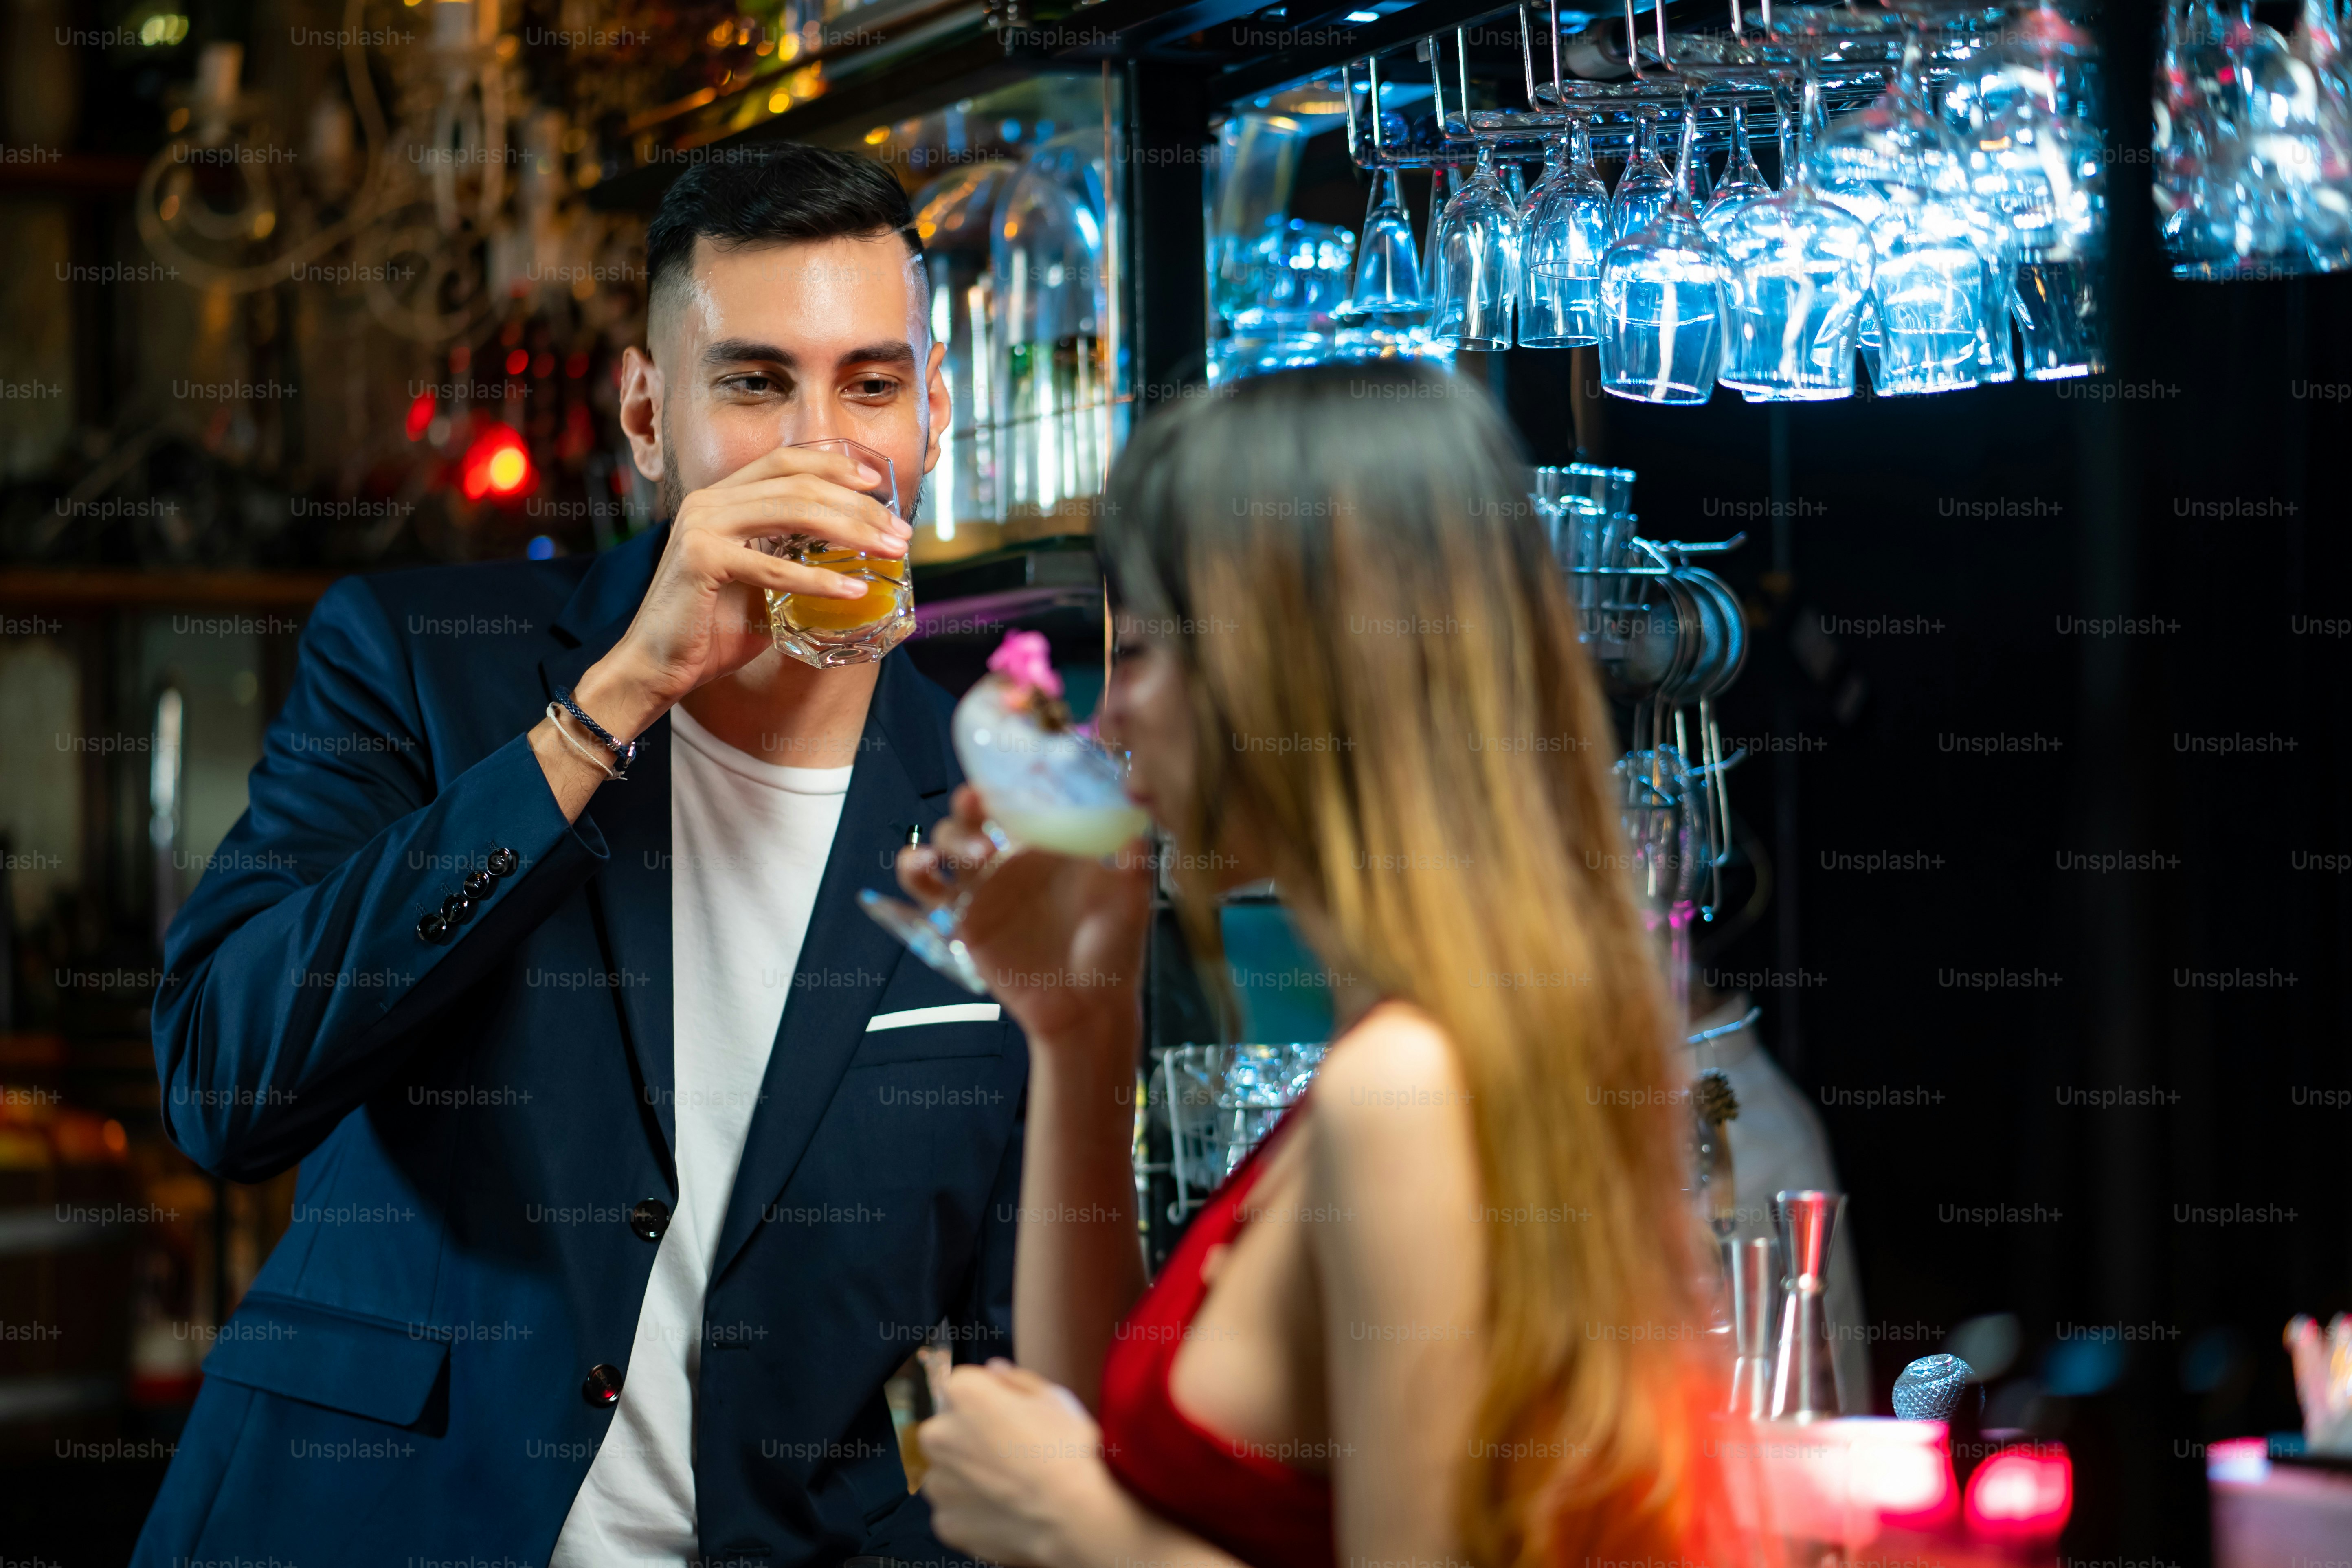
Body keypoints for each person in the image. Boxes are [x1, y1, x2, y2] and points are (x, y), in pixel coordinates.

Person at [135, 145, 1028, 1568]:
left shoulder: (1004, 805)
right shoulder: (424, 662)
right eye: (753, 383)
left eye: (871, 383)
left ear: (932, 411)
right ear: (646, 413)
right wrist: (610, 703)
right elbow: (224, 1088)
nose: (822, 443)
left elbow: (1026, 1376)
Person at [895, 362, 1744, 1568]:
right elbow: (1125, 1456)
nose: (1110, 720)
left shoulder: (1403, 1085)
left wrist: (1084, 1536)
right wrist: (1077, 1034)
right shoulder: (1427, 1039)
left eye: (1139, 652)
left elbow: (1111, 1512)